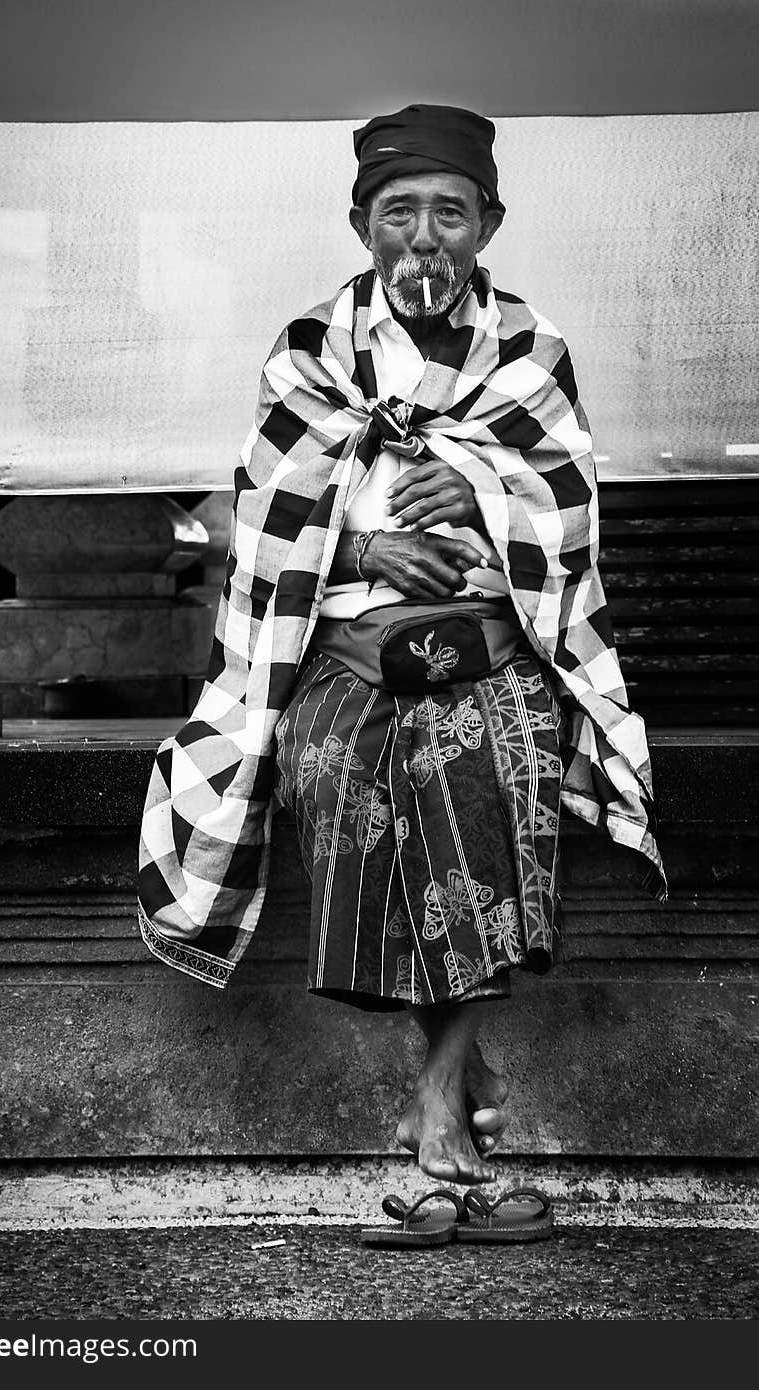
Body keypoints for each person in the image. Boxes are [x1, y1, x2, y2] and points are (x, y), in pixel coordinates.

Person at [138, 104, 666, 1187]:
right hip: (343, 648)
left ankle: (438, 1086)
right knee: (335, 774)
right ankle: (447, 1077)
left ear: (488, 222)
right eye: (399, 213)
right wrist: (370, 544)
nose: (425, 238)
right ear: (359, 223)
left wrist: (476, 485)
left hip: (491, 641)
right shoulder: (306, 355)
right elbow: (269, 523)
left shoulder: (531, 348)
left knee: (491, 764)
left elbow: (567, 513)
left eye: (450, 214)